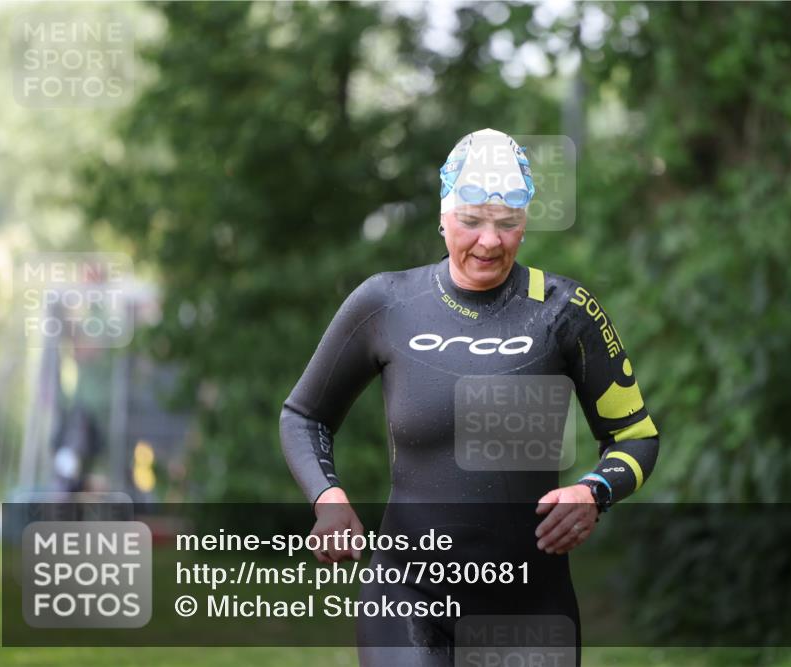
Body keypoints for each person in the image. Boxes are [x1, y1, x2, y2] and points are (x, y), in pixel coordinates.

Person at [280, 128, 660, 666]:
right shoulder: (387, 302)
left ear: (525, 223)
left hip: (529, 604)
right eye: (471, 220)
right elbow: (304, 414)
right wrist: (329, 500)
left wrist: (594, 491)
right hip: (406, 594)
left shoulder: (564, 311)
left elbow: (636, 436)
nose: (489, 241)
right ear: (443, 215)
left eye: (507, 224)